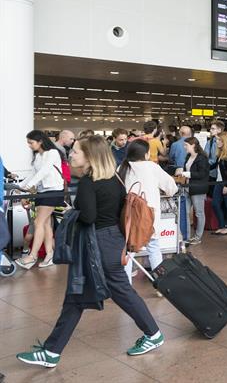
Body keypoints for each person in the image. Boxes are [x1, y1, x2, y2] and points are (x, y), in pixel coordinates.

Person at [15, 136, 165, 369]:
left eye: (76, 151)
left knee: (102, 292)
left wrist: (71, 213)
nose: (71, 155)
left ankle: (153, 334)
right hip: (112, 240)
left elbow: (88, 217)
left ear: (90, 156)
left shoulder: (89, 182)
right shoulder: (114, 178)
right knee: (84, 295)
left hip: (98, 243)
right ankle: (52, 351)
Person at [118, 139, 178, 282]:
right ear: (145, 154)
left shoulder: (122, 167)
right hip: (148, 215)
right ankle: (161, 283)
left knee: (129, 251)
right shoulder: (152, 167)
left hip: (128, 217)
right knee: (154, 248)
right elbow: (171, 187)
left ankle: (127, 286)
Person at [15, 131, 64, 269]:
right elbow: (33, 173)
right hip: (42, 192)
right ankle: (50, 255)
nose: (29, 145)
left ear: (40, 141)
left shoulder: (53, 153)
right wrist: (20, 187)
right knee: (46, 224)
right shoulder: (37, 156)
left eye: (31, 142)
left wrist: (28, 187)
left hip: (53, 190)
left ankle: (32, 256)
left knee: (38, 222)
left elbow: (44, 171)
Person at [177, 137, 209, 244]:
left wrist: (186, 174)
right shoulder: (188, 156)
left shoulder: (202, 158)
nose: (184, 147)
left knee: (199, 213)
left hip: (197, 189)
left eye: (186, 145)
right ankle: (186, 236)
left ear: (193, 145)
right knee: (185, 213)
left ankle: (198, 236)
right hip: (187, 188)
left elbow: (202, 174)